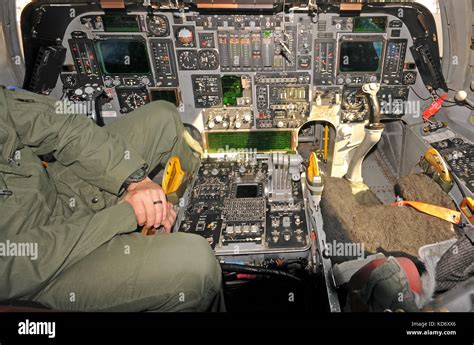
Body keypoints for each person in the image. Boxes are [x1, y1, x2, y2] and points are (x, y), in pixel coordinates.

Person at [0, 86, 224, 311]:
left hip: (57, 191)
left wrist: (135, 179)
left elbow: (60, 125)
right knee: (197, 264)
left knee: (165, 119)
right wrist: (124, 214)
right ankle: (157, 254)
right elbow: (14, 268)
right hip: (48, 267)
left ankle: (179, 212)